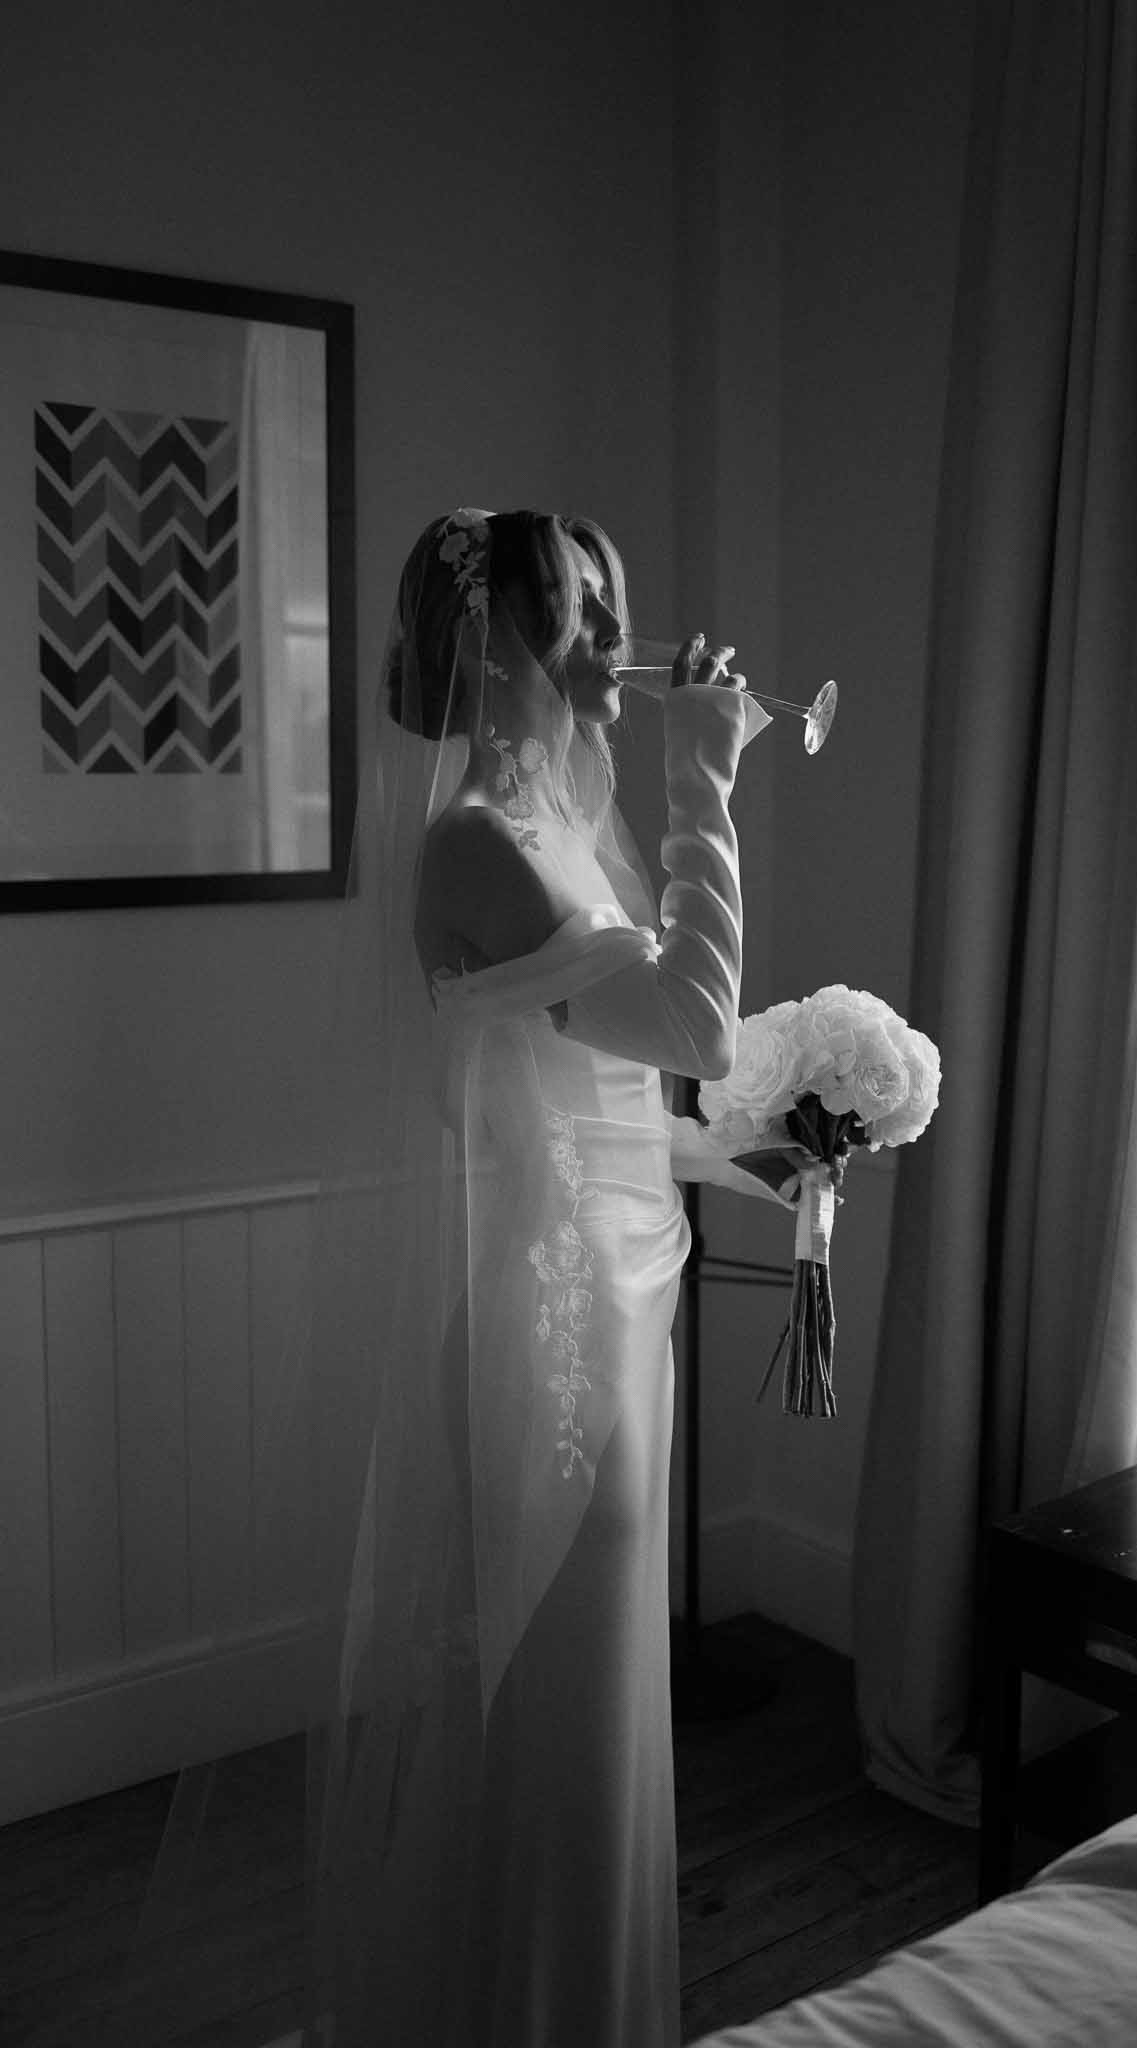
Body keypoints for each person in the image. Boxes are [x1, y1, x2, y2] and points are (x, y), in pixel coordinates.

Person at [274, 507, 808, 2047]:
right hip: (546, 1329)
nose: (608, 644)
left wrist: (740, 1162)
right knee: (558, 1708)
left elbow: (597, 1093)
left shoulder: (558, 832)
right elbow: (696, 1028)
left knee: (595, 1706)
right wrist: (707, 766)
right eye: (581, 612)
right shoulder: (477, 846)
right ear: (494, 638)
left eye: (609, 608)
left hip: (611, 1296)